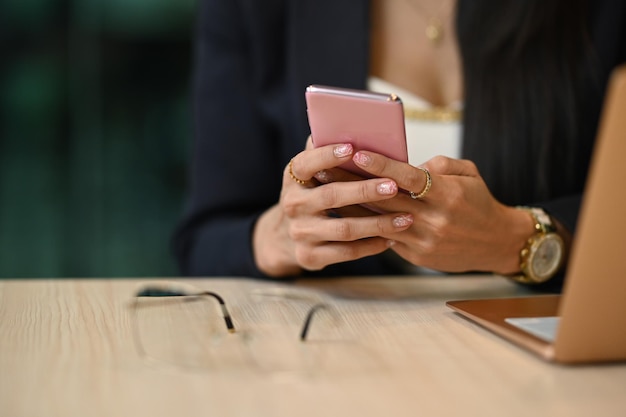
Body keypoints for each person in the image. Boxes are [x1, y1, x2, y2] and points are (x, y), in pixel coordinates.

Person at [173, 0, 626, 288]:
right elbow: (205, 240)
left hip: (541, 358)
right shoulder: (261, 10)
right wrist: (279, 238)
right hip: (339, 356)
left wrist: (519, 240)